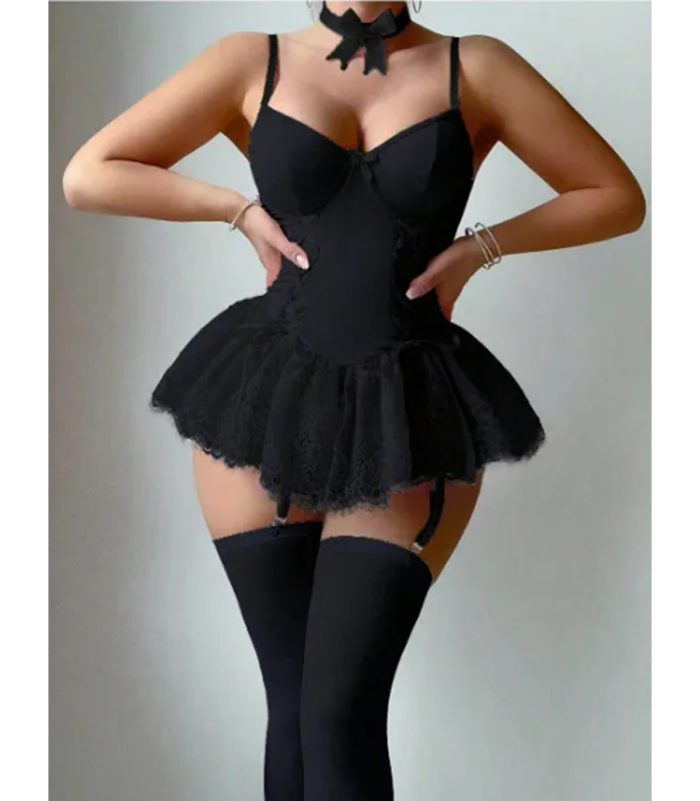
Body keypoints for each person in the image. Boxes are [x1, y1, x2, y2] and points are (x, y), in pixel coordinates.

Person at [62, 2, 647, 799]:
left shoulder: (475, 66)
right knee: (293, 708)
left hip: (409, 405)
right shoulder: (251, 60)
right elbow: (89, 173)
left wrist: (480, 248)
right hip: (265, 395)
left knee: (340, 714)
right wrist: (236, 211)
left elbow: (616, 194)